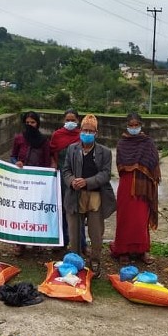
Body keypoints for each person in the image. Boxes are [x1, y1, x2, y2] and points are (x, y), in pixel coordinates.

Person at [61, 114, 116, 278]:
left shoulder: (105, 152)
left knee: (96, 232)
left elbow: (106, 174)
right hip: (75, 196)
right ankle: (75, 261)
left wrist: (87, 182)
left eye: (91, 131)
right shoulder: (72, 149)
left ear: (96, 133)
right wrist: (72, 181)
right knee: (74, 232)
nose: (87, 133)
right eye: (85, 130)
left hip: (95, 197)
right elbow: (66, 170)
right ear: (80, 131)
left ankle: (95, 260)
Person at [111, 112, 160, 265]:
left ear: (140, 125)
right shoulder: (122, 143)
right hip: (126, 185)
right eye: (131, 125)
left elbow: (153, 163)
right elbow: (120, 164)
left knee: (140, 219)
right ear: (127, 126)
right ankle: (123, 251)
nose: (133, 128)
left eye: (136, 125)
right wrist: (134, 166)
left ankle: (142, 250)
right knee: (125, 218)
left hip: (143, 186)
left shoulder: (148, 142)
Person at [10, 111, 51, 256]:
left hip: (37, 183)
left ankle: (36, 243)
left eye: (32, 123)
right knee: (21, 211)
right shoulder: (19, 138)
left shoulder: (44, 141)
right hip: (21, 182)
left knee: (36, 211)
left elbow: (47, 163)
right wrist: (17, 163)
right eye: (27, 123)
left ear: (37, 124)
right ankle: (19, 244)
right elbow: (13, 157)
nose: (30, 125)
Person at [49, 108, 87, 253]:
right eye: (67, 120)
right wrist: (53, 163)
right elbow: (52, 153)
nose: (70, 123)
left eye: (73, 120)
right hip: (62, 177)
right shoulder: (57, 135)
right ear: (63, 121)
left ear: (78, 121)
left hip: (78, 177)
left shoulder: (82, 135)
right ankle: (61, 241)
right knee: (62, 210)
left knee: (78, 211)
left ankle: (81, 244)